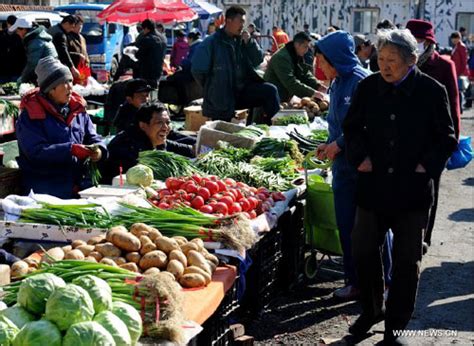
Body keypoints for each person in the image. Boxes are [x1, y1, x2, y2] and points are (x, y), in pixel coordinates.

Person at [343, 29, 457, 345]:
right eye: (380, 59)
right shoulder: (367, 87)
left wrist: (426, 166)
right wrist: (360, 157)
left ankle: (396, 324)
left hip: (412, 190)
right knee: (363, 250)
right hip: (373, 187)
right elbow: (351, 128)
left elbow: (446, 137)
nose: (385, 66)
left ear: (410, 60)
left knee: (407, 260)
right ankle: (372, 308)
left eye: (392, 60)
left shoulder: (431, 91)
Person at [314, 31, 370, 300]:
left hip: (362, 168)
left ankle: (380, 282)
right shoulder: (336, 83)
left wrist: (340, 144)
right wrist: (328, 144)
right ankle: (354, 282)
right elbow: (337, 124)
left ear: (335, 59)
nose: (321, 67)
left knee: (369, 229)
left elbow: (367, 124)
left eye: (323, 62)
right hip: (343, 169)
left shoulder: (361, 81)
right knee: (347, 226)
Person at [16, 56, 107, 198]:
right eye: (64, 82)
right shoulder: (31, 115)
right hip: (46, 190)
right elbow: (36, 152)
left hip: (78, 186)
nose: (70, 86)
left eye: (70, 81)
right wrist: (70, 150)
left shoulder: (77, 109)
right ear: (51, 89)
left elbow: (93, 136)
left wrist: (99, 150)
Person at [406, 19, 460, 251]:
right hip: (405, 137)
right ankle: (405, 234)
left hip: (434, 140)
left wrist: (452, 141)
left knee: (430, 190)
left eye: (420, 40)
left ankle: (423, 237)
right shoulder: (401, 62)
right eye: (413, 40)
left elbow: (454, 104)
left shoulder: (444, 66)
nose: (416, 45)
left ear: (429, 42)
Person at [191, 6, 280, 124]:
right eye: (241, 21)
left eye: (244, 22)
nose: (243, 25)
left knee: (269, 91)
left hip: (241, 91)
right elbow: (197, 71)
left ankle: (274, 129)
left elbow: (258, 60)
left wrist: (250, 43)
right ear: (229, 21)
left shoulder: (243, 40)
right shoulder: (211, 42)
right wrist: (214, 87)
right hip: (221, 96)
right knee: (222, 133)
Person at [102, 102, 194, 184]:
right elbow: (123, 180)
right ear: (143, 125)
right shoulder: (128, 146)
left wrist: (194, 150)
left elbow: (174, 146)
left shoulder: (154, 137)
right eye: (159, 123)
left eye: (168, 122)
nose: (166, 127)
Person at [264, 32, 324, 102]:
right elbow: (290, 83)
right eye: (305, 47)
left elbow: (304, 73)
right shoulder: (281, 58)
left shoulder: (295, 55)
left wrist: (318, 85)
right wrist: (313, 93)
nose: (307, 50)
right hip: (270, 100)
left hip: (281, 98)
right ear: (297, 45)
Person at [9, 18, 57, 85]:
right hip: (50, 72)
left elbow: (32, 63)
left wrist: (22, 79)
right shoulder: (38, 37)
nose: (17, 34)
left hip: (48, 75)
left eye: (17, 31)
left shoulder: (35, 41)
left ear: (24, 29)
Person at [135, 19, 167, 88]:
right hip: (158, 69)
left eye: (143, 29)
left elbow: (138, 55)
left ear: (146, 28)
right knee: (155, 89)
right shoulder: (163, 38)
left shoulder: (146, 39)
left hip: (147, 71)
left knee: (145, 90)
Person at [48, 15, 80, 81]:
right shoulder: (60, 34)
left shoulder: (54, 28)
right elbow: (63, 52)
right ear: (67, 23)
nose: (72, 29)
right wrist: (72, 68)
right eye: (72, 27)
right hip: (52, 64)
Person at [0, 15, 26, 83]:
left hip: (16, 70)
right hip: (4, 70)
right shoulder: (2, 35)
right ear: (7, 24)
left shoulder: (19, 35)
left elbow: (23, 54)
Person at [67, 15, 90, 85]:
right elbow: (64, 53)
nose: (80, 27)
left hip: (83, 69)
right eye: (78, 24)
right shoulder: (67, 37)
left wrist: (87, 62)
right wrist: (78, 56)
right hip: (72, 69)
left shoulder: (82, 38)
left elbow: (85, 53)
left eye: (81, 24)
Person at [451, 31, 469, 112]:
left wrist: (461, 72)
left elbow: (464, 61)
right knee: (457, 90)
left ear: (458, 38)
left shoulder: (461, 46)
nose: (453, 40)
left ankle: (460, 108)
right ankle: (459, 107)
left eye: (454, 38)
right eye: (452, 39)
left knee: (459, 90)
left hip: (460, 72)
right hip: (456, 71)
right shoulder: (456, 46)